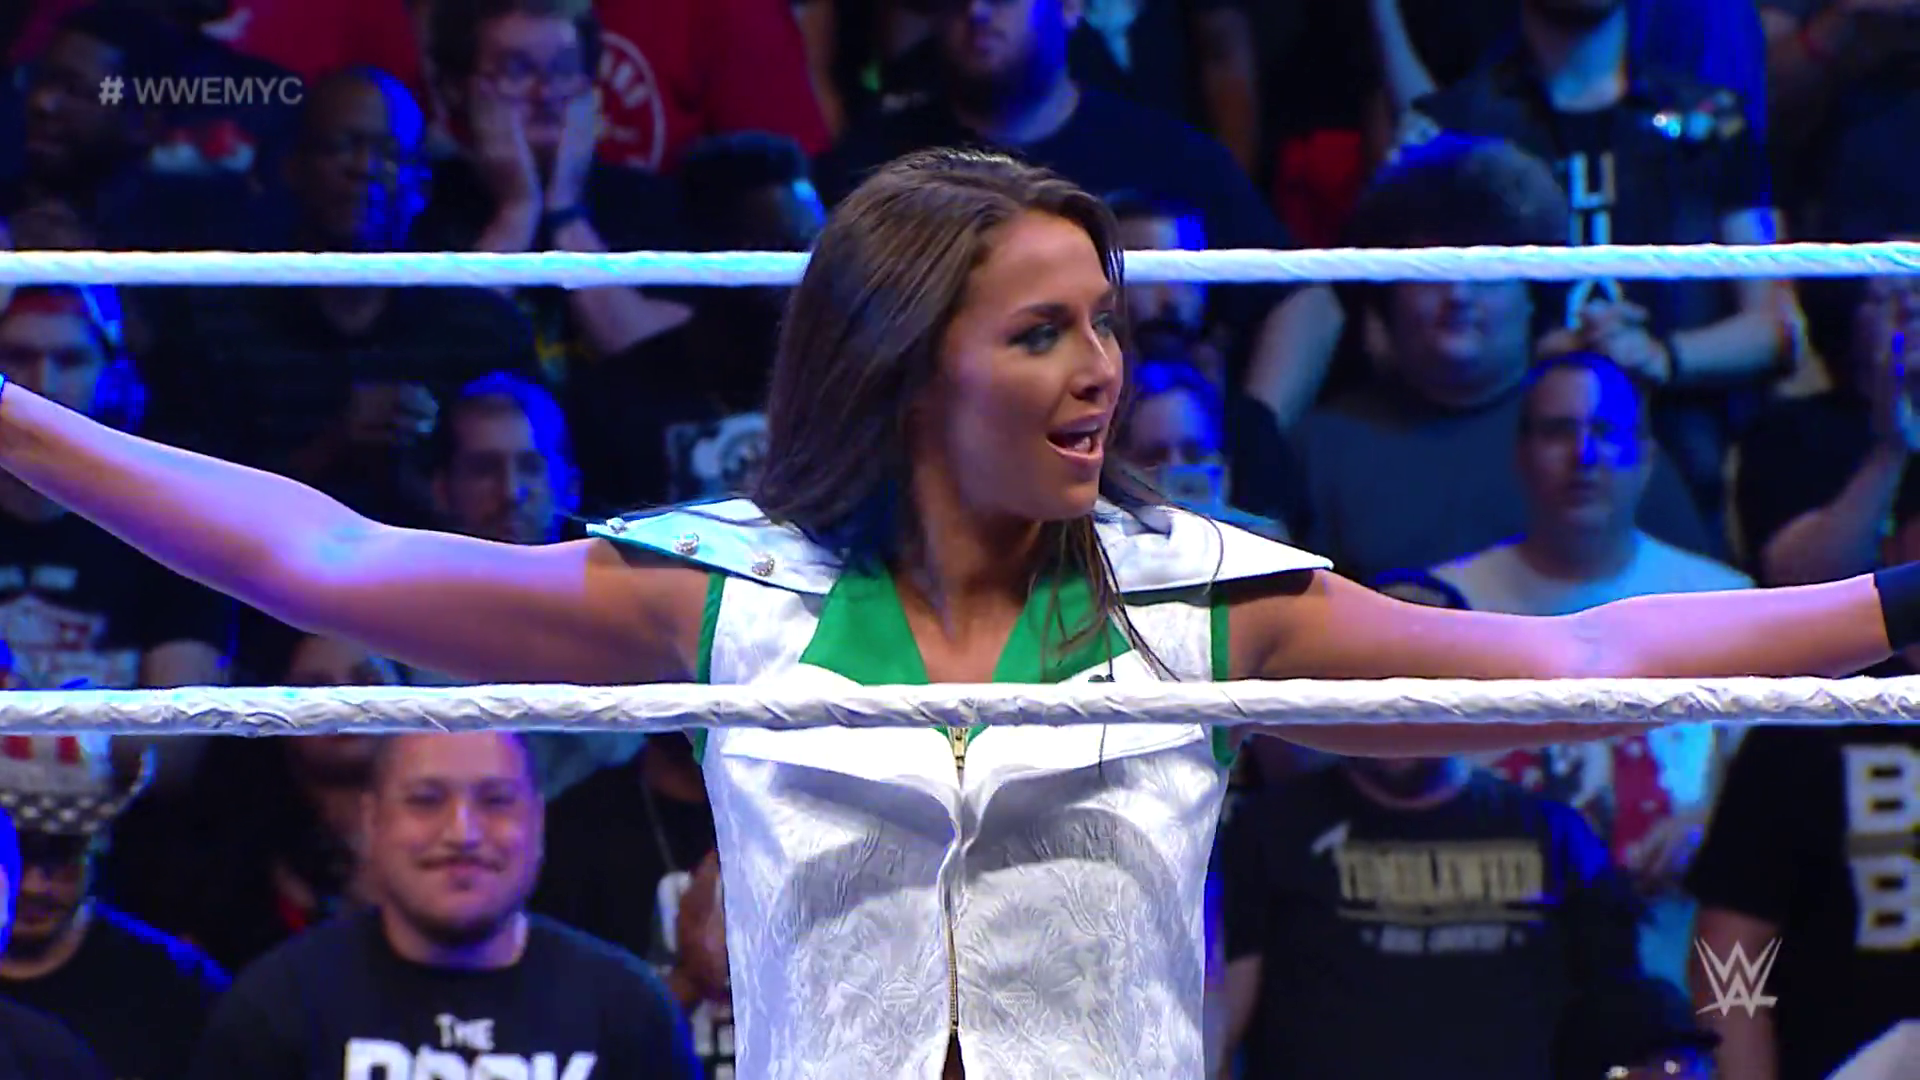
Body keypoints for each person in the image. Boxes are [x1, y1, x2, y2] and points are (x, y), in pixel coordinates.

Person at [0, 148, 1909, 1080]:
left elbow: (1576, 663)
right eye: (1044, 331)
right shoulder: (728, 592)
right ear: (916, 362)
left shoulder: (1207, 597)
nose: (1103, 369)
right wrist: (18, 422)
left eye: (1108, 325)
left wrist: (1897, 603)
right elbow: (322, 562)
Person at [185, 732, 699, 1078]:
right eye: (426, 799)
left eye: (495, 800)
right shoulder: (279, 1006)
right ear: (373, 821)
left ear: (538, 821)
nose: (462, 833)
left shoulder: (627, 1011)